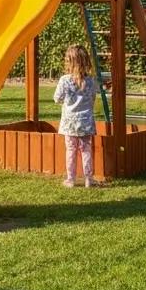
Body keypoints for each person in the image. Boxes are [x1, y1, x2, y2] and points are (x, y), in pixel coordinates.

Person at [54, 43, 100, 188]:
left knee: (71, 150)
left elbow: (57, 99)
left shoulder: (64, 80)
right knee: (86, 149)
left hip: (69, 122)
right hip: (86, 121)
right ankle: (88, 179)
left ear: (69, 62)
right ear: (85, 61)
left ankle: (71, 179)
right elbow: (93, 98)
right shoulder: (91, 81)